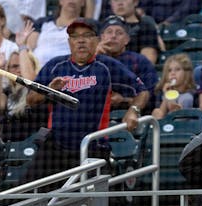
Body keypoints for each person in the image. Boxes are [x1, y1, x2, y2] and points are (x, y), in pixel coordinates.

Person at [23, 18, 149, 186]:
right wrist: (49, 91)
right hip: (55, 146)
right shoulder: (55, 66)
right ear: (69, 42)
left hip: (92, 144)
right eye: (75, 37)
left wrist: (133, 110)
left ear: (97, 40)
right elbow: (30, 99)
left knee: (88, 199)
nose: (81, 40)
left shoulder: (107, 67)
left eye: (87, 35)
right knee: (25, 191)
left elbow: (142, 91)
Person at [0, 20, 48, 141]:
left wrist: (22, 47)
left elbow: (30, 82)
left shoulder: (40, 90)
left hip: (33, 147)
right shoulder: (8, 91)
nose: (19, 70)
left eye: (22, 65)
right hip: (9, 147)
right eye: (14, 67)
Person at [98, 15, 159, 114]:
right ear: (102, 37)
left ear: (127, 39)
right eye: (109, 32)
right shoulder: (92, 60)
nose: (113, 36)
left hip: (132, 116)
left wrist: (124, 100)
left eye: (119, 33)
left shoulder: (139, 61)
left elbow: (150, 97)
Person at [26, 0, 85, 68]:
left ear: (83, 2)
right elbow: (29, 47)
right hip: (36, 70)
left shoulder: (88, 26)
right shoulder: (42, 22)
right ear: (61, 1)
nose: (72, 1)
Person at [108, 0, 159, 64]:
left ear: (135, 2)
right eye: (116, 0)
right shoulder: (103, 27)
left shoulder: (146, 27)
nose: (120, 3)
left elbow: (148, 62)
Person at [152, 53, 196, 119]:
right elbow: (159, 116)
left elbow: (177, 113)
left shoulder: (191, 92)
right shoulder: (161, 92)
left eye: (177, 69)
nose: (173, 73)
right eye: (169, 70)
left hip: (184, 125)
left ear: (186, 73)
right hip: (164, 125)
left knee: (186, 98)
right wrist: (167, 95)